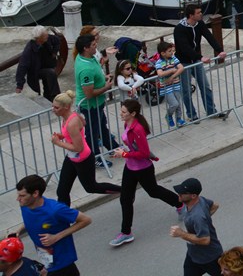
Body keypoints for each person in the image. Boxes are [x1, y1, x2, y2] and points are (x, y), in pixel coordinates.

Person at [111, 98, 183, 247]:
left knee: (153, 191)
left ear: (133, 113)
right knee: (125, 199)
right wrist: (125, 152)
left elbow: (143, 153)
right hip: (130, 167)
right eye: (121, 111)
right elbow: (133, 147)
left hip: (143, 168)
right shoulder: (127, 123)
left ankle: (180, 204)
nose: (121, 114)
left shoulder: (138, 129)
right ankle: (126, 233)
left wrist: (124, 154)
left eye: (124, 112)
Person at [49, 90, 120, 206]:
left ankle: (124, 191)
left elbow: (78, 148)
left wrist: (58, 142)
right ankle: (65, 219)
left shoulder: (72, 122)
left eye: (56, 108)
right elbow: (82, 126)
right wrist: (64, 136)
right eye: (53, 106)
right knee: (62, 191)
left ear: (66, 107)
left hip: (83, 159)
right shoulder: (68, 118)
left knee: (91, 187)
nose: (53, 110)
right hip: (72, 158)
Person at [15, 174, 91, 276]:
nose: (18, 199)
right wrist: (18, 230)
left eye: (22, 195)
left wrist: (56, 237)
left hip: (62, 262)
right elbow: (33, 219)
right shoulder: (25, 205)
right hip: (47, 260)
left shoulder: (55, 210)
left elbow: (86, 220)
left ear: (35, 193)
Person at [174, 5, 225, 122]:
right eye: (198, 13)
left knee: (205, 87)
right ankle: (192, 115)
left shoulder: (200, 24)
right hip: (184, 62)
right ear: (191, 15)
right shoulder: (179, 29)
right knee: (186, 90)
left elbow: (209, 37)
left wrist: (220, 50)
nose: (201, 14)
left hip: (196, 60)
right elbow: (184, 47)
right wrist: (200, 57)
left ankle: (211, 111)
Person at [72, 32, 116, 167]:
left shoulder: (87, 58)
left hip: (97, 104)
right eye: (93, 45)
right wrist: (106, 87)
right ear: (86, 48)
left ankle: (113, 147)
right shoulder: (85, 69)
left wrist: (104, 78)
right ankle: (95, 158)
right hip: (90, 105)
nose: (96, 46)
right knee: (93, 132)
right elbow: (89, 94)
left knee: (102, 126)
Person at [170, 177, 224, 276]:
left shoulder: (197, 216)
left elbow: (205, 240)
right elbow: (214, 205)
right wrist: (205, 220)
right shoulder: (201, 200)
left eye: (183, 193)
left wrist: (181, 233)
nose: (179, 194)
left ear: (193, 196)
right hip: (194, 254)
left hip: (210, 258)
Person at [14, 26, 61, 102]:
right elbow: (22, 66)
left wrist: (54, 52)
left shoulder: (48, 39)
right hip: (36, 70)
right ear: (39, 38)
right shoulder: (29, 50)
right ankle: (56, 97)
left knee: (48, 81)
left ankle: (51, 98)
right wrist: (19, 85)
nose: (47, 36)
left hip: (47, 65)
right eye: (45, 35)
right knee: (50, 73)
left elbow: (57, 41)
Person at [155, 40, 186, 129]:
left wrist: (172, 77)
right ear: (163, 53)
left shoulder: (174, 59)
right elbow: (160, 74)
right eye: (169, 51)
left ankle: (179, 119)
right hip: (166, 87)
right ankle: (168, 115)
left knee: (178, 104)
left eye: (172, 51)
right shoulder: (159, 63)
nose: (172, 53)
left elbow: (181, 68)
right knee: (174, 104)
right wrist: (172, 71)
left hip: (176, 84)